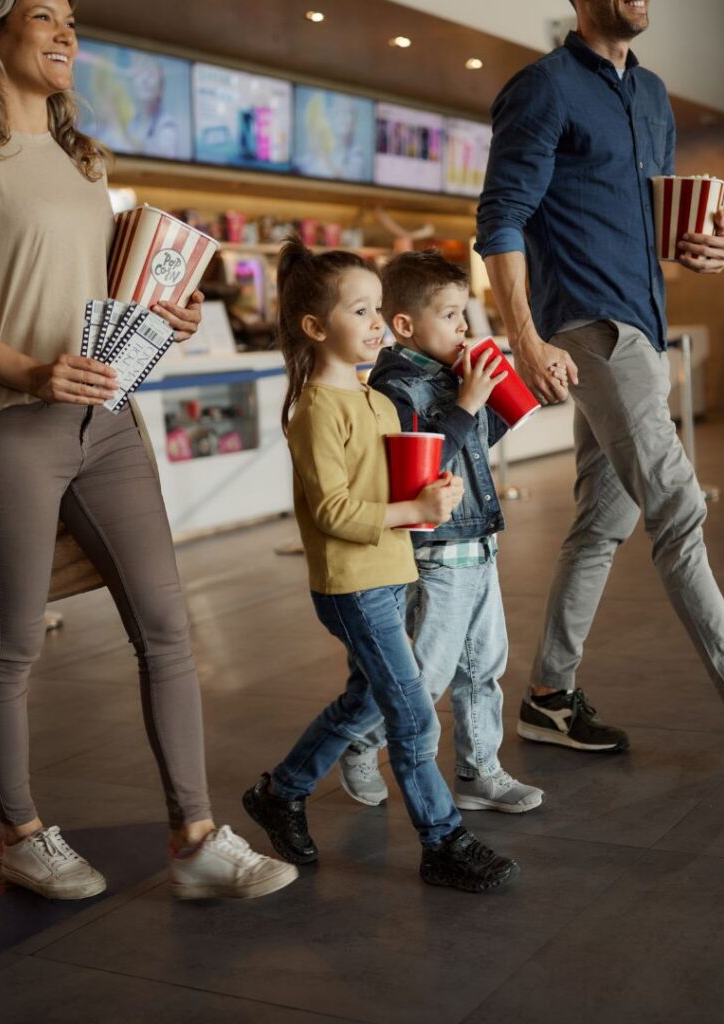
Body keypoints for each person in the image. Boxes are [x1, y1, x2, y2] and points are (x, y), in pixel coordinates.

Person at [0, 0, 296, 902]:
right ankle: (23, 834)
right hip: (9, 422)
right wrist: (31, 374)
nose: (68, 32)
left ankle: (195, 834)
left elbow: (108, 293)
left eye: (73, 17)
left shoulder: (86, 163)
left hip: (109, 422)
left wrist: (170, 312)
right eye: (44, 15)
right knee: (13, 642)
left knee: (167, 626)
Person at [476, 0, 724, 756]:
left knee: (601, 522)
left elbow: (660, 221)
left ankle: (548, 696)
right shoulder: (542, 88)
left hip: (642, 330)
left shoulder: (652, 95)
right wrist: (523, 335)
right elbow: (501, 215)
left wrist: (721, 242)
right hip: (592, 329)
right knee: (677, 506)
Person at [242, 239, 517, 893]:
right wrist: (411, 507)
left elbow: (420, 464)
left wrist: (443, 469)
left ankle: (282, 792)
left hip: (392, 574)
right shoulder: (315, 410)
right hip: (353, 584)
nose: (376, 324)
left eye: (376, 311)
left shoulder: (379, 401)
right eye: (361, 311)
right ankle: (443, 839)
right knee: (412, 712)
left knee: (365, 696)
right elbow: (335, 511)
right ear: (314, 328)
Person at [337, 250, 544, 815]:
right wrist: (467, 404)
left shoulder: (448, 376)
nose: (463, 329)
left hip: (477, 541)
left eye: (464, 316)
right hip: (436, 552)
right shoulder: (395, 386)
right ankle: (361, 741)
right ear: (404, 326)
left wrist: (498, 402)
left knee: (484, 666)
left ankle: (479, 771)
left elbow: (469, 451)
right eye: (451, 316)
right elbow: (419, 471)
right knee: (425, 675)